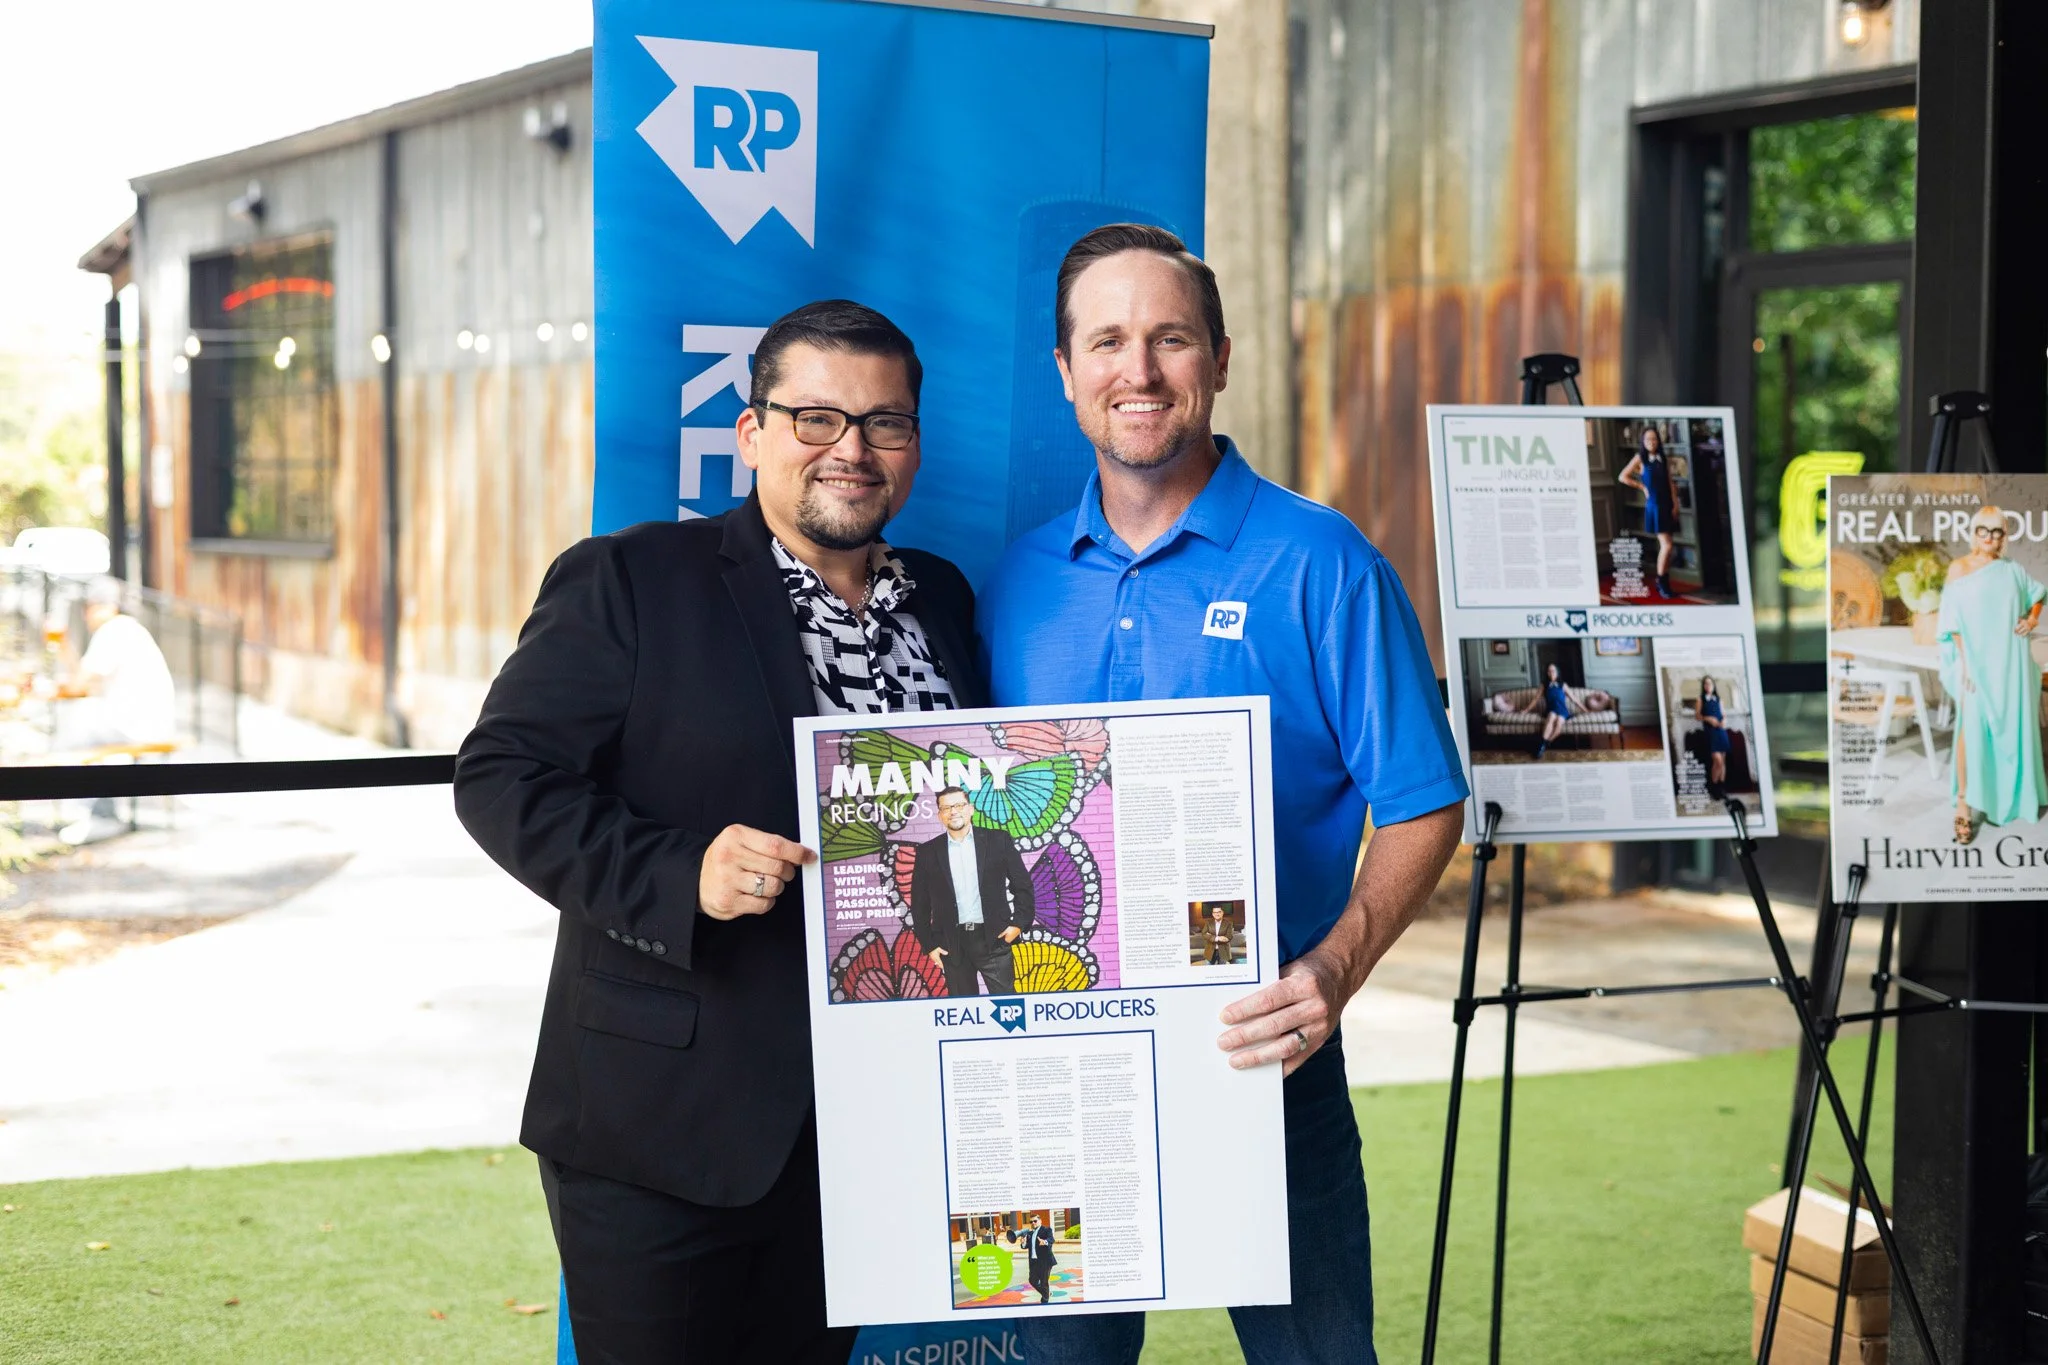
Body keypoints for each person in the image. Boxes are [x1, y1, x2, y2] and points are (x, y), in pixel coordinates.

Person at [453, 300, 984, 1363]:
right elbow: (501, 777)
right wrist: (678, 872)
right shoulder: (635, 579)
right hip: (662, 1126)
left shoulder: (944, 603)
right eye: (815, 418)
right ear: (751, 433)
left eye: (883, 423)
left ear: (913, 444)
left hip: (864, 1131)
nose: (851, 449)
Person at [979, 223, 1467, 1364]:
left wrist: (1331, 971)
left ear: (1219, 358)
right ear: (1064, 372)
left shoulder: (1320, 561)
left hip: (1263, 1057)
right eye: (1105, 342)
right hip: (1054, 1072)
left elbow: (1422, 799)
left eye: (1168, 339)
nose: (1136, 372)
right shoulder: (1016, 581)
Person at [1936, 504, 2047, 844]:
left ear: (2004, 536)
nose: (1989, 537)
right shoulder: (1959, 568)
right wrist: (1967, 664)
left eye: (1996, 531)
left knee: (2010, 729)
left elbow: (2038, 594)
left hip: (2010, 662)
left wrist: (2032, 618)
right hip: (1975, 664)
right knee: (1970, 729)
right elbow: (1952, 623)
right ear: (1974, 533)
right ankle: (1963, 806)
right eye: (1983, 530)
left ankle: (2009, 796)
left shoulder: (2012, 569)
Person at [53, 576, 176, 845]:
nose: (87, 615)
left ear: (103, 606)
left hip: (140, 725)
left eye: (90, 607)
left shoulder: (115, 631)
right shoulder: (128, 629)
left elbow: (78, 684)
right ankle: (93, 810)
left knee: (76, 723)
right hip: (146, 722)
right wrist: (63, 647)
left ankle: (100, 815)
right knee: (81, 720)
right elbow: (84, 683)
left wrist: (62, 647)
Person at [909, 785, 1035, 995]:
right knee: (964, 1011)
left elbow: (1023, 886)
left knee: (1008, 1012)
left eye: (959, 805)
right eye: (946, 807)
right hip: (952, 943)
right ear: (940, 815)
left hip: (994, 938)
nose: (953, 811)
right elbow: (919, 904)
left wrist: (1018, 925)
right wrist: (929, 945)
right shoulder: (927, 852)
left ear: (971, 809)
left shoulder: (998, 841)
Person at [1618, 425, 1678, 599]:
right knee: (1667, 545)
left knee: (1668, 545)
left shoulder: (1662, 458)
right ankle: (1661, 582)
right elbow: (1623, 476)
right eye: (1648, 439)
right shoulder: (1640, 458)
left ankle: (1664, 580)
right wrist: (1642, 486)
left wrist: (1675, 503)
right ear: (1643, 442)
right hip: (1655, 505)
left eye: (1654, 439)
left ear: (1658, 441)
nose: (1651, 442)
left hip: (1667, 503)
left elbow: (1670, 482)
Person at [1522, 662, 1572, 761]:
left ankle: (1542, 745)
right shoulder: (1544, 685)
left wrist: (1586, 709)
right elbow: (1536, 699)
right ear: (1547, 673)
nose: (1551, 673)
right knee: (1551, 718)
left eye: (1553, 671)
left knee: (1558, 723)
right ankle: (1542, 747)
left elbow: (1574, 698)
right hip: (1551, 709)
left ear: (1557, 672)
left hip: (1562, 710)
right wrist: (1526, 710)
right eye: (1549, 671)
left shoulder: (1563, 685)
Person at [1697, 674, 1731, 797]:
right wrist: (1708, 719)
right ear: (1703, 686)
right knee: (1718, 761)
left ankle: (1722, 788)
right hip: (1710, 733)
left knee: (1723, 761)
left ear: (1713, 685)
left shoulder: (1719, 699)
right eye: (1705, 683)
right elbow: (1697, 716)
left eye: (1710, 683)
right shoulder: (1700, 699)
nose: (1708, 685)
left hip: (1721, 731)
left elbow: (1723, 714)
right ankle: (1714, 788)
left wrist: (1724, 721)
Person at [1022, 1214, 1057, 1303]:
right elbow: (1026, 1246)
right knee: (1032, 1280)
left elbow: (1051, 1239)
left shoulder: (1046, 1230)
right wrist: (1023, 1243)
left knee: (1044, 1282)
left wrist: (1044, 1242)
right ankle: (1046, 1293)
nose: (1033, 1223)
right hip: (1034, 1262)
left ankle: (1044, 1301)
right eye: (1031, 1222)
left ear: (1040, 1221)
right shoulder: (1030, 1233)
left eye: (1035, 1221)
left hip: (1045, 1261)